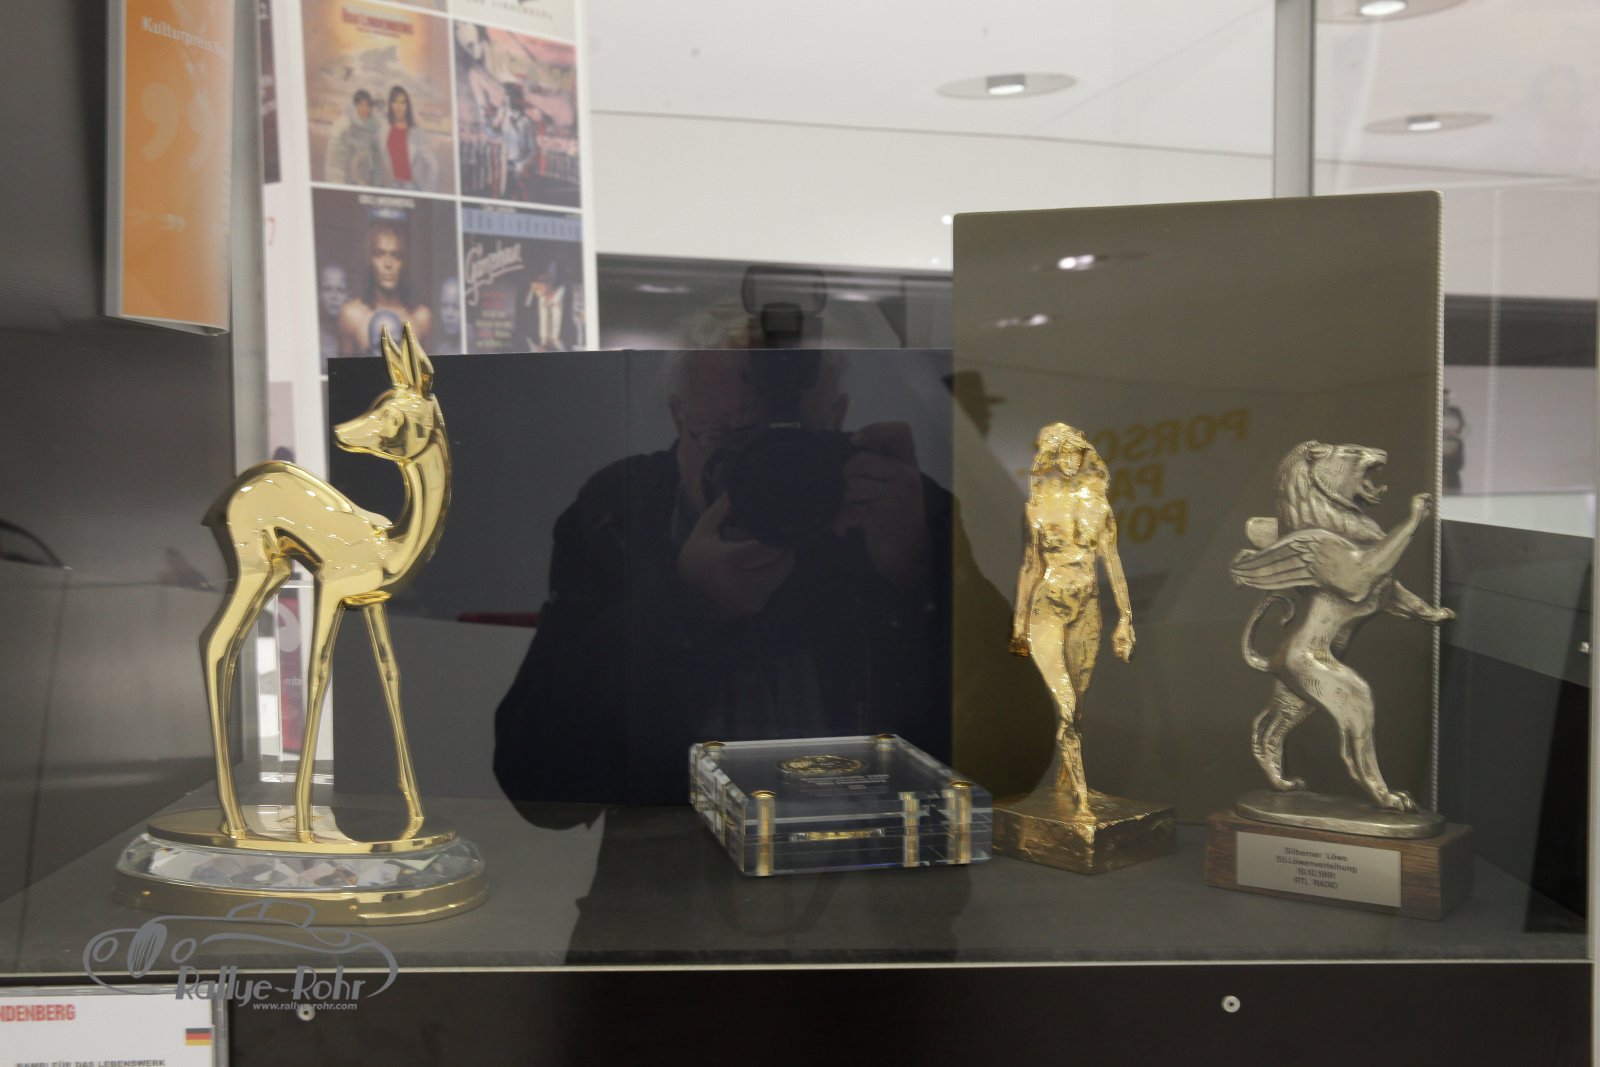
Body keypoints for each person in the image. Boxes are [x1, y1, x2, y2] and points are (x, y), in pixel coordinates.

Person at [494, 350, 951, 805]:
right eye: (731, 438)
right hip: (680, 846)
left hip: (868, 840)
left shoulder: (892, 507)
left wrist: (916, 574)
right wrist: (684, 604)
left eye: (797, 441)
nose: (767, 468)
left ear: (838, 419)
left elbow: (979, 752)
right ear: (679, 416)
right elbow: (536, 776)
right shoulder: (624, 512)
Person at [1009, 423, 1133, 814]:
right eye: (1061, 453)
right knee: (1064, 706)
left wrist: (1126, 619)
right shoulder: (1036, 507)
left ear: (1084, 456)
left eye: (1074, 453)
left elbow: (1112, 562)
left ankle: (1065, 784)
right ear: (1050, 457)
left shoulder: (1099, 508)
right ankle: (1081, 802)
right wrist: (1018, 626)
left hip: (1088, 605)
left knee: (1078, 704)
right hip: (1048, 606)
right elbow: (1030, 565)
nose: (1068, 460)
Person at [336, 223, 433, 356]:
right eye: (380, 254)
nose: (388, 264)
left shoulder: (421, 318)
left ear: (404, 263)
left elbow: (429, 369)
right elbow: (344, 369)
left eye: (396, 256)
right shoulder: (352, 316)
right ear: (370, 260)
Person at [381, 85, 436, 191]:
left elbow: (433, 165)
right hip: (392, 186)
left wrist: (427, 192)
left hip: (412, 187)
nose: (398, 107)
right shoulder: (385, 130)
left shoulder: (417, 132)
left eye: (402, 103)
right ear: (390, 104)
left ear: (408, 106)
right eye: (395, 102)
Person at [323, 89, 382, 186]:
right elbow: (334, 156)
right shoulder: (343, 124)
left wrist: (376, 181)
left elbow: (376, 159)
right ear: (356, 105)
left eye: (369, 105)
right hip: (342, 177)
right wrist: (337, 180)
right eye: (361, 104)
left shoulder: (374, 128)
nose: (365, 109)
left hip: (363, 178)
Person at [522, 259, 576, 351]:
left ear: (553, 268)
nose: (534, 285)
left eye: (539, 278)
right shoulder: (527, 297)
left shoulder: (577, 299)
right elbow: (523, 336)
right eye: (531, 278)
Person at [317, 263, 349, 369]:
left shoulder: (353, 337)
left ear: (348, 296)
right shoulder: (313, 337)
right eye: (327, 289)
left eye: (340, 290)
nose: (334, 296)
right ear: (319, 294)